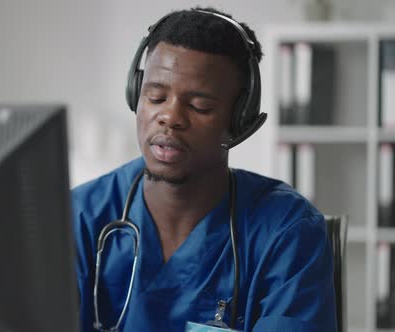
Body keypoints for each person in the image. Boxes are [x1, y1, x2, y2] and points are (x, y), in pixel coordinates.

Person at [71, 5, 337, 332]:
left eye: (200, 106)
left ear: (239, 120)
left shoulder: (285, 231)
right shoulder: (78, 218)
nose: (170, 117)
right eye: (155, 97)